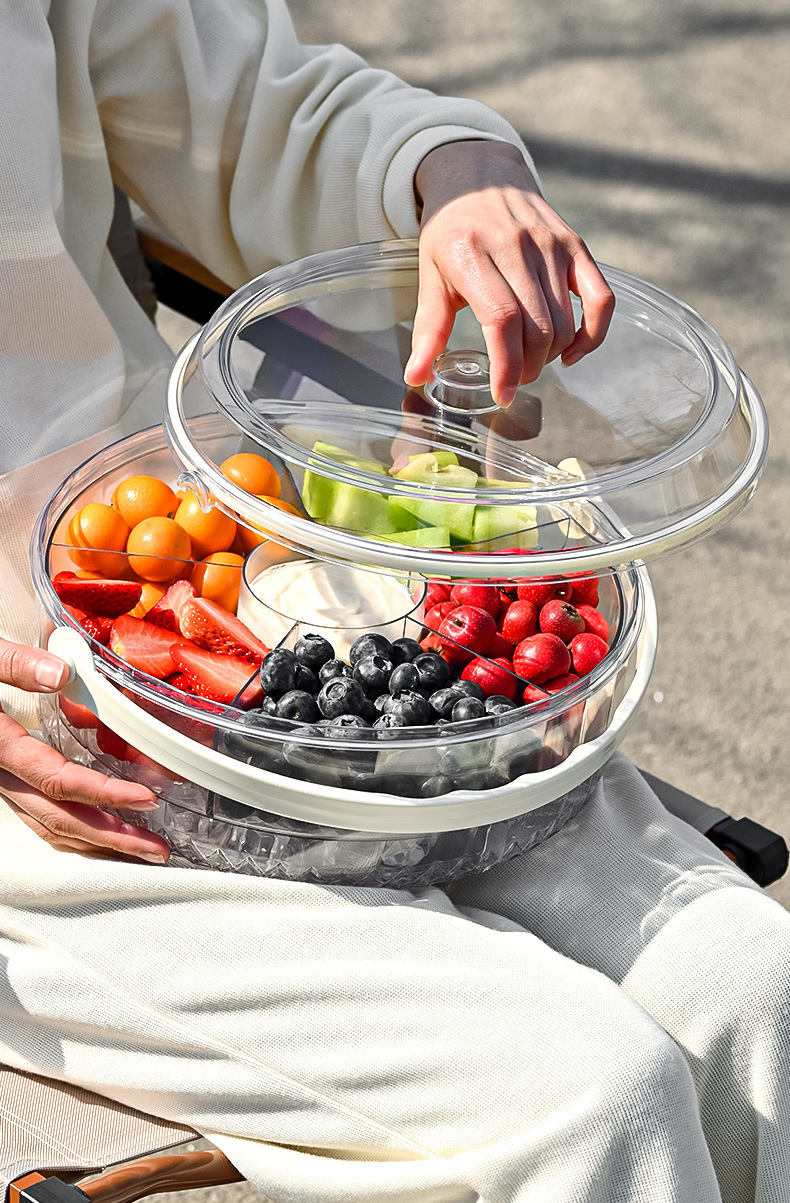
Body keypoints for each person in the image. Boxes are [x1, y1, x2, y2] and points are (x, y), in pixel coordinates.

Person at [1, 4, 789, 1203]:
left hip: (212, 562)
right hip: (51, 794)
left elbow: (242, 98)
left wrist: (447, 170)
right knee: (589, 1093)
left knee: (754, 989)